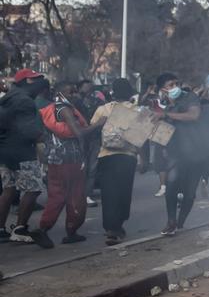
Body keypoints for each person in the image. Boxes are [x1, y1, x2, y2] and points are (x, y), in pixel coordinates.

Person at [38, 81, 99, 245]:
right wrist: (98, 125)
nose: (75, 95)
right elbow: (78, 133)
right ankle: (63, 230)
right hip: (69, 159)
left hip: (55, 158)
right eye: (71, 92)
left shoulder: (52, 109)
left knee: (59, 195)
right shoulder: (64, 109)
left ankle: (49, 229)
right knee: (74, 196)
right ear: (61, 93)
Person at [88, 79, 143, 245]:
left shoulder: (103, 109)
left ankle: (111, 229)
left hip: (106, 156)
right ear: (129, 93)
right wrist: (144, 158)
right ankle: (118, 225)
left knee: (109, 193)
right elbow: (141, 137)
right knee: (123, 192)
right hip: (127, 156)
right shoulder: (137, 110)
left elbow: (94, 129)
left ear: (113, 92)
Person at [0, 69, 50, 247]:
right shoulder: (24, 101)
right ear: (27, 81)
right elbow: (29, 130)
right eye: (37, 80)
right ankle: (20, 230)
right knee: (34, 188)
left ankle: (1, 230)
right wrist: (42, 136)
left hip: (5, 150)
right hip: (22, 152)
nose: (40, 84)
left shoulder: (8, 98)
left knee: (9, 189)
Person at [156, 73, 203, 236]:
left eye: (176, 83)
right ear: (163, 89)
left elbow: (194, 115)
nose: (175, 87)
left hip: (196, 151)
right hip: (175, 153)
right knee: (172, 183)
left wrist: (166, 115)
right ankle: (171, 221)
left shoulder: (190, 97)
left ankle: (180, 221)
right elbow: (164, 130)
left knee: (190, 193)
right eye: (171, 85)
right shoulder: (167, 107)